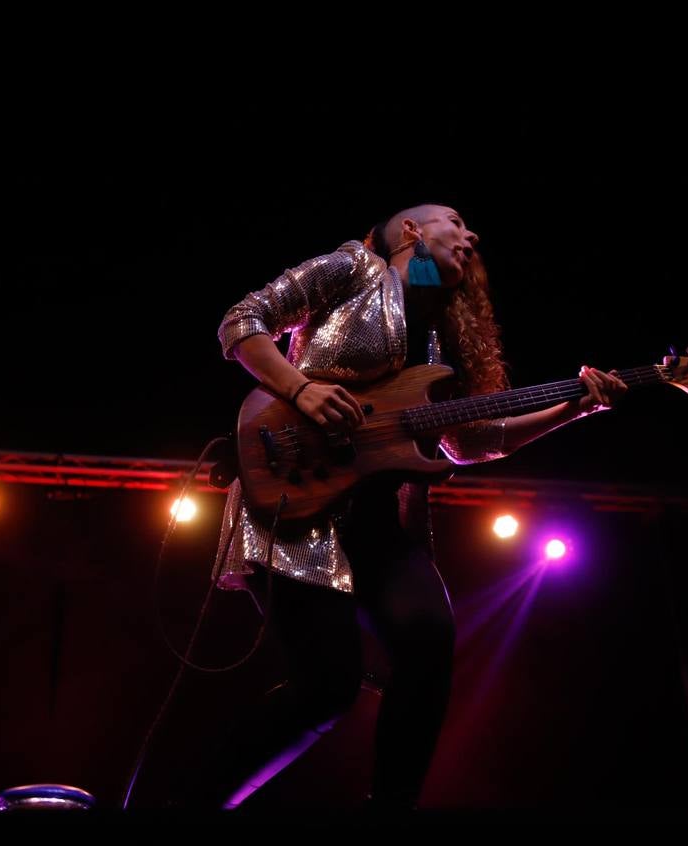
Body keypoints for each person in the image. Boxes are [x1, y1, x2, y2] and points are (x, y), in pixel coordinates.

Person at [198, 204, 627, 811]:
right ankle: (194, 801)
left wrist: (575, 407)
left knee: (429, 636)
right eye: (454, 220)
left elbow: (471, 440)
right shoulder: (352, 267)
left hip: (375, 516)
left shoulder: (434, 331)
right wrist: (299, 387)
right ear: (411, 232)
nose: (471, 233)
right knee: (327, 687)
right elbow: (242, 321)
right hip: (297, 493)